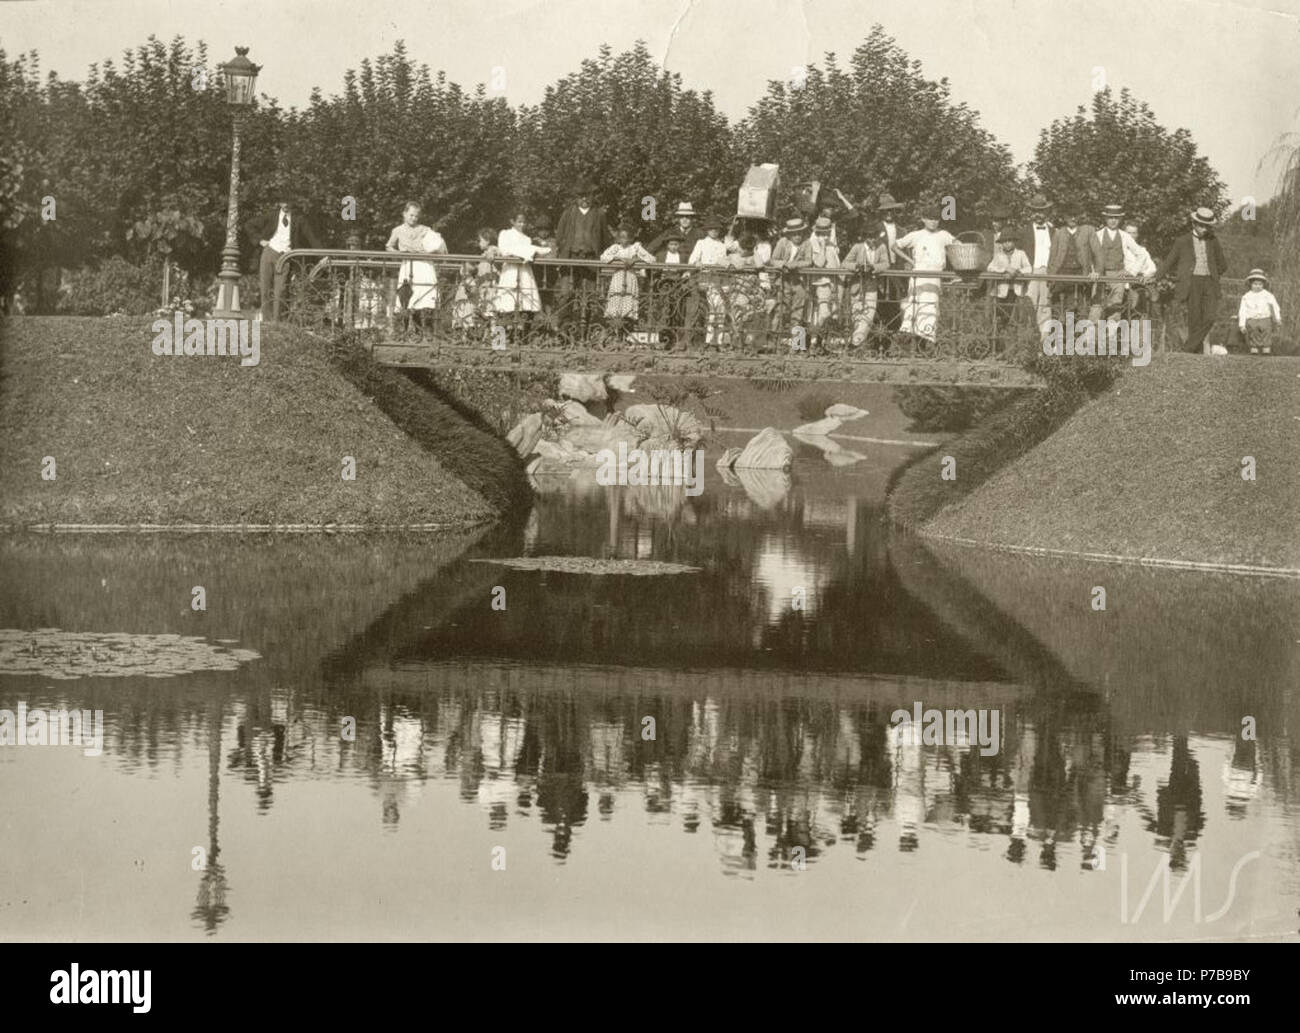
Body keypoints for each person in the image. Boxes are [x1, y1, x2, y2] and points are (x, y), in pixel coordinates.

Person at [1146, 206, 1229, 354]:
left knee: (1210, 317)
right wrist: (1155, 277)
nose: (1204, 229)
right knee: (1194, 319)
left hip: (1210, 282)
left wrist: (1213, 273)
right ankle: (1194, 354)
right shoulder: (1182, 241)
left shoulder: (1213, 240)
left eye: (1207, 226)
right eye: (1201, 225)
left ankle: (1187, 349)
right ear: (1194, 224)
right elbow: (1169, 262)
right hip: (1191, 282)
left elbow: (1222, 264)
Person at [245, 198, 324, 321]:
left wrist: (323, 256)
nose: (286, 204)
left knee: (280, 291)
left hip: (285, 256)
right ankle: (267, 322)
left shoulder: (299, 219)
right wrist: (260, 240)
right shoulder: (271, 216)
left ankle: (276, 324)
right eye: (283, 201)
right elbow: (249, 225)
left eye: (288, 201)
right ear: (279, 203)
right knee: (265, 288)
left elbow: (311, 237)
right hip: (269, 252)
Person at [554, 179, 613, 331]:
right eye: (581, 196)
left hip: (590, 260)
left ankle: (585, 330)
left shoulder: (599, 214)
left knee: (589, 296)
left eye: (587, 196)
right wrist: (563, 252)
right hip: (571, 258)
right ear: (576, 198)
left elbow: (605, 238)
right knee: (566, 294)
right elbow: (559, 236)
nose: (584, 199)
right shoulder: (569, 213)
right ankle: (564, 330)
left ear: (592, 196)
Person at [894, 207, 955, 343]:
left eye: (936, 219)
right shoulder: (916, 235)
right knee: (914, 306)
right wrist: (910, 260)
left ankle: (925, 341)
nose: (933, 222)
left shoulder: (944, 235)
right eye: (930, 219)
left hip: (934, 277)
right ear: (923, 219)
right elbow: (896, 246)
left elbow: (958, 246)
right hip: (919, 276)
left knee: (931, 308)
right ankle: (909, 341)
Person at [385, 201, 446, 332]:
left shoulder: (425, 229)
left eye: (416, 216)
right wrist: (399, 253)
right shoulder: (397, 230)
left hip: (423, 265)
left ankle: (424, 330)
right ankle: (404, 330)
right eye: (411, 215)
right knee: (406, 296)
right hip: (408, 265)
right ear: (404, 214)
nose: (413, 218)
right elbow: (389, 246)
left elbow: (437, 244)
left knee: (425, 296)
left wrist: (430, 249)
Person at [495, 212, 551, 331]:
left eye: (524, 222)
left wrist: (526, 251)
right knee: (505, 304)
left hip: (524, 271)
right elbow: (505, 250)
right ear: (512, 221)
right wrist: (530, 251)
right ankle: (499, 342)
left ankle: (521, 338)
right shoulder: (505, 234)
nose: (522, 224)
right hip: (510, 271)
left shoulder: (527, 239)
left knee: (524, 304)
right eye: (519, 222)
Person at [1048, 204, 1103, 319]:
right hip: (1061, 275)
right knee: (1059, 309)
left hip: (1081, 275)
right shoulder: (1058, 233)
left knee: (1081, 309)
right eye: (1069, 216)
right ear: (1064, 217)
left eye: (1075, 216)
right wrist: (1050, 278)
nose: (1073, 219)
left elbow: (1098, 253)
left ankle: (1079, 334)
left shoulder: (1088, 231)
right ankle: (1060, 335)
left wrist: (1097, 271)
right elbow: (1052, 257)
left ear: (1079, 217)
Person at [841, 221, 890, 350]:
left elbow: (886, 264)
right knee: (857, 314)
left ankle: (854, 343)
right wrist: (856, 267)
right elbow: (845, 263)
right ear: (865, 237)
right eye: (869, 237)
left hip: (872, 285)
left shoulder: (882, 247)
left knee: (869, 313)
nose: (872, 240)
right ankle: (859, 346)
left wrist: (873, 267)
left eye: (874, 236)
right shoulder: (858, 247)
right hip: (857, 285)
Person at [599, 223, 655, 333]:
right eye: (621, 237)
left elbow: (651, 259)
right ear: (618, 238)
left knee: (628, 302)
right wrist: (618, 259)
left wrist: (636, 260)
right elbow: (603, 257)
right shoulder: (615, 248)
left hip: (630, 278)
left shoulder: (635, 248)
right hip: (618, 277)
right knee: (616, 301)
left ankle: (626, 331)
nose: (623, 240)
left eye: (626, 237)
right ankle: (614, 332)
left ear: (631, 238)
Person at [688, 214, 730, 347]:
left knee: (720, 309)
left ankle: (719, 340)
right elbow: (692, 260)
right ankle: (709, 340)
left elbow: (725, 261)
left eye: (716, 229)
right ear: (707, 230)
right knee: (712, 309)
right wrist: (698, 263)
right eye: (711, 229)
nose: (714, 231)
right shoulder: (701, 243)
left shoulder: (722, 245)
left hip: (719, 279)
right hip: (706, 280)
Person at [986, 231, 1032, 352]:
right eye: (1004, 242)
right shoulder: (998, 255)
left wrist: (1017, 272)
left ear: (1014, 242)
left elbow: (1028, 268)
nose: (1007, 244)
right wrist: (1004, 270)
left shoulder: (1021, 254)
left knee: (1015, 320)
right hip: (1001, 293)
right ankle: (996, 348)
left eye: (1009, 241)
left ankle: (1013, 349)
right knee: (999, 319)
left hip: (1015, 292)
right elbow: (990, 267)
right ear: (1001, 244)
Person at [768, 216, 810, 338]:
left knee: (798, 312)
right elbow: (773, 259)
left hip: (799, 282)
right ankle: (772, 342)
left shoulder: (807, 243)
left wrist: (795, 264)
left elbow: (809, 261)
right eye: (795, 234)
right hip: (783, 280)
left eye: (800, 233)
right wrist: (783, 264)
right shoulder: (783, 242)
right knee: (780, 310)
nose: (798, 237)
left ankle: (796, 344)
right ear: (789, 234)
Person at [1090, 203, 1131, 322]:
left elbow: (1140, 254)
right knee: (1096, 306)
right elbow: (1090, 256)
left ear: (1120, 219)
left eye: (1116, 218)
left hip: (1118, 275)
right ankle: (1092, 337)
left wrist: (1129, 270)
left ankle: (1111, 338)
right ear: (1105, 218)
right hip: (1101, 274)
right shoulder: (1097, 235)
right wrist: (1093, 271)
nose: (1113, 221)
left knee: (1115, 308)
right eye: (1110, 218)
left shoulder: (1125, 236)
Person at [1020, 194, 1054, 336]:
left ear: (1046, 212)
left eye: (1041, 211)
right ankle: (1028, 337)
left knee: (1045, 305)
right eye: (1035, 211)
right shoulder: (1024, 232)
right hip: (1031, 270)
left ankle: (1044, 339)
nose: (1038, 214)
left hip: (1047, 271)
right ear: (1031, 213)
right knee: (1029, 302)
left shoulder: (1053, 231)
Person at [803, 215, 841, 336]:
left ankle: (819, 342)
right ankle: (811, 335)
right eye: (822, 233)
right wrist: (823, 247)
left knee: (831, 313)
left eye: (827, 233)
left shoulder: (831, 244)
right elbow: (818, 263)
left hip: (834, 283)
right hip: (821, 283)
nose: (825, 236)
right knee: (823, 313)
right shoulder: (813, 244)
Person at [1234, 269, 1282, 355]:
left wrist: (1277, 318)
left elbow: (1275, 307)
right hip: (1252, 319)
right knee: (1253, 333)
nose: (1258, 286)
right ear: (1251, 284)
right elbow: (1243, 311)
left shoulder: (1268, 295)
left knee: (1266, 333)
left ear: (1263, 285)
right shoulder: (1246, 297)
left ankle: (1266, 351)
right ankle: (1254, 351)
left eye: (1260, 284)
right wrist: (1242, 325)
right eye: (1255, 284)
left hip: (1265, 318)